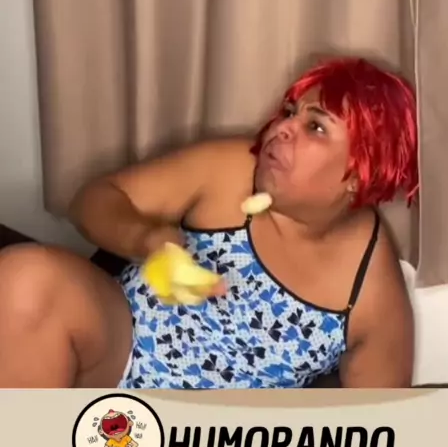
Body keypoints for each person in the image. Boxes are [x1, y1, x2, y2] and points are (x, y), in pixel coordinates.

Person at [0, 56, 417, 389]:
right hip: (118, 349)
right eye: (290, 112)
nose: (283, 128)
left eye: (315, 127)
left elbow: (374, 432)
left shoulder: (373, 296)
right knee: (27, 277)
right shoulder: (232, 167)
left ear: (359, 173)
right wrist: (147, 239)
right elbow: (94, 200)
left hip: (208, 443)